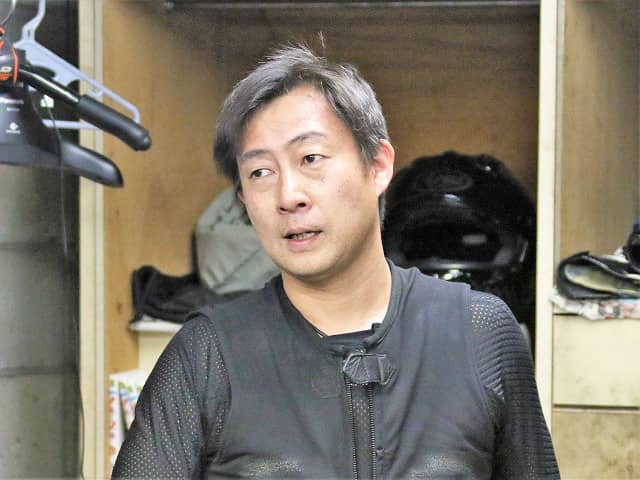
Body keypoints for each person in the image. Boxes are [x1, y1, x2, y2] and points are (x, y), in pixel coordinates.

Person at [113, 44, 559, 479]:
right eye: (260, 172)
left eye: (311, 158)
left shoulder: (481, 333)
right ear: (244, 199)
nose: (288, 196)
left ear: (377, 165)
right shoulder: (206, 354)